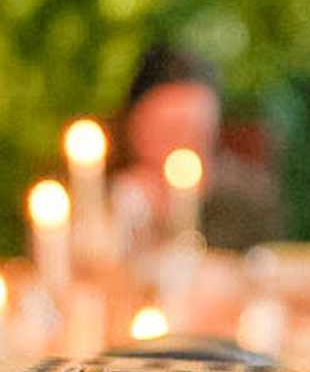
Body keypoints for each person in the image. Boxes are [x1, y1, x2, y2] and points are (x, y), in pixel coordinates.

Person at [111, 43, 284, 249]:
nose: (182, 144)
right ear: (136, 129)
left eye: (195, 132)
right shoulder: (104, 194)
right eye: (170, 131)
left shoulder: (246, 197)